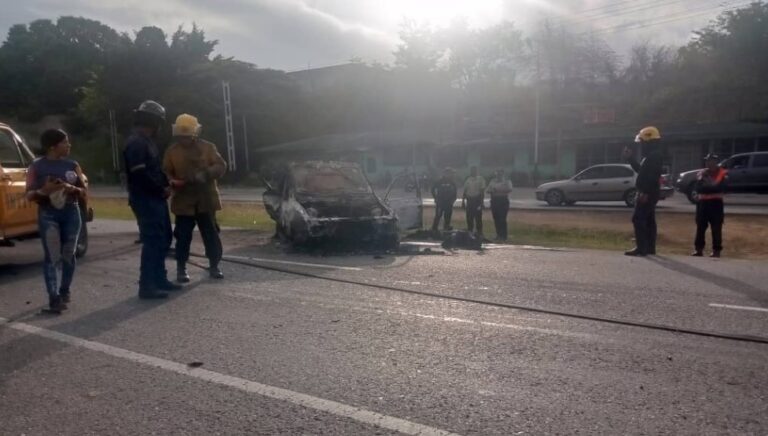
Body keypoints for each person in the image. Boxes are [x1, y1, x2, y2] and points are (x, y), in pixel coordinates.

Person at [123, 100, 181, 299]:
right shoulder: (137, 143)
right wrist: (160, 189)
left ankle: (159, 278)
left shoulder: (148, 141)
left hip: (155, 197)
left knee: (164, 238)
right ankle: (147, 285)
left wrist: (167, 183)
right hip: (145, 199)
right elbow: (140, 175)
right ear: (153, 121)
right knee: (153, 241)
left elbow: (155, 170)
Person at [25, 129, 86, 314]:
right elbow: (28, 195)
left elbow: (83, 191)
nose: (69, 145)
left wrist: (70, 188)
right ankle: (53, 298)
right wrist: (45, 190)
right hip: (48, 214)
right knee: (52, 257)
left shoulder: (73, 165)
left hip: (71, 211)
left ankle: (64, 291)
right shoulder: (35, 167)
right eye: (65, 142)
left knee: (69, 253)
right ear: (53, 146)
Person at [163, 114, 227, 281]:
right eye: (182, 136)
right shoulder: (172, 152)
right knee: (183, 236)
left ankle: (214, 265)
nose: (184, 139)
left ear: (194, 133)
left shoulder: (208, 148)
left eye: (188, 136)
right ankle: (181, 268)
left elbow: (221, 165)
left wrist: (206, 174)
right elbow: (165, 171)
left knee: (211, 234)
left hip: (206, 200)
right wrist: (171, 180)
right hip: (184, 202)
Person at [622, 126, 664, 257]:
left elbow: (652, 176)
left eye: (642, 142)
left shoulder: (654, 156)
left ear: (648, 141)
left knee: (638, 219)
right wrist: (630, 159)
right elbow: (642, 171)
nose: (640, 145)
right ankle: (649, 247)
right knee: (649, 220)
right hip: (650, 191)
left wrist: (645, 192)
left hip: (648, 192)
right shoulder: (651, 156)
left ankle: (641, 247)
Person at [692, 153, 727, 258]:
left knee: (716, 228)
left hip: (716, 204)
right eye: (707, 161)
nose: (709, 163)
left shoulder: (722, 173)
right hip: (703, 204)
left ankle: (716, 251)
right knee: (700, 227)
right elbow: (698, 188)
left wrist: (707, 187)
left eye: (711, 161)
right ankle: (699, 250)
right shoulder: (701, 173)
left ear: (716, 162)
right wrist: (710, 187)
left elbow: (721, 188)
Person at [487, 169, 513, 241]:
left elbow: (509, 189)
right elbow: (488, 190)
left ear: (503, 174)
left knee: (502, 219)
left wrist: (496, 189)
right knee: (496, 219)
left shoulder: (507, 181)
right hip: (494, 201)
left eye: (500, 174)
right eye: (497, 174)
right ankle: (498, 235)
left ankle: (504, 236)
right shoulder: (492, 181)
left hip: (503, 201)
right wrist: (497, 189)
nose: (498, 175)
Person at [430, 167, 457, 233]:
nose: (452, 175)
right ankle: (434, 229)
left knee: (448, 216)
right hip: (440, 202)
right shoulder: (439, 181)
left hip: (449, 203)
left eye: (452, 173)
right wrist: (435, 198)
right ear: (446, 174)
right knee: (438, 216)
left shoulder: (452, 182)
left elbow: (455, 191)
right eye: (450, 173)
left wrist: (453, 200)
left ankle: (446, 227)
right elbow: (432, 189)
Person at [462, 166, 486, 236]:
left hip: (477, 200)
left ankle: (479, 233)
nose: (473, 172)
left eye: (475, 170)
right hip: (469, 200)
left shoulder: (481, 179)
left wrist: (482, 202)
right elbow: (465, 191)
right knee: (469, 217)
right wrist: (463, 201)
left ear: (477, 171)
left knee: (478, 217)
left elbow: (482, 191)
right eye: (472, 170)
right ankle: (470, 232)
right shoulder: (468, 180)